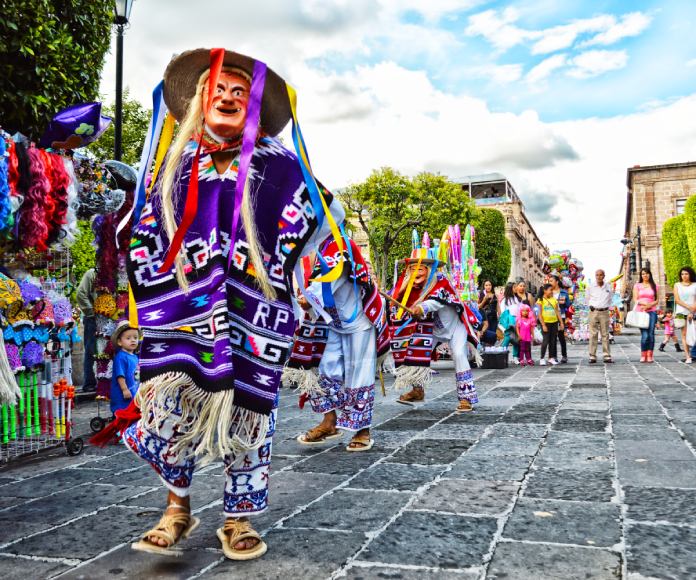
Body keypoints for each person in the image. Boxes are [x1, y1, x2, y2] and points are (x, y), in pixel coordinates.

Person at [123, 48, 345, 560]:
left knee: (248, 413)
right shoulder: (175, 165)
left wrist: (278, 260)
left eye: (238, 92)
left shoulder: (281, 166)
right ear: (201, 100)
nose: (226, 97)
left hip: (253, 315)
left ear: (252, 107)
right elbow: (147, 231)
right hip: (184, 315)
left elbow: (319, 215)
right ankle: (177, 507)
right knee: (174, 405)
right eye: (216, 89)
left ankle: (237, 517)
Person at [290, 235, 389, 451]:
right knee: (325, 369)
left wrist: (309, 298)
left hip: (359, 322)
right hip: (334, 322)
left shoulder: (340, 244)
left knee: (358, 373)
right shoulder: (317, 248)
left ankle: (363, 430)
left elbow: (330, 280)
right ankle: (329, 422)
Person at [389, 246, 480, 412]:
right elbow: (394, 298)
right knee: (412, 354)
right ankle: (418, 390)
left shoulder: (441, 281)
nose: (415, 272)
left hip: (454, 328)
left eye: (420, 268)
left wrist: (421, 308)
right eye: (412, 268)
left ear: (429, 269)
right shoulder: (408, 286)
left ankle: (466, 397)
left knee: (459, 354)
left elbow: (436, 301)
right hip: (431, 330)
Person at [110, 321, 140, 415]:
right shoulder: (120, 357)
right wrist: (124, 389)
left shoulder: (135, 357)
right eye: (128, 338)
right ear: (119, 342)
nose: (133, 340)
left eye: (135, 338)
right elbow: (120, 375)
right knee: (123, 412)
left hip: (133, 391)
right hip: (123, 394)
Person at [76, 267, 97, 392]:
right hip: (93, 319)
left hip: (111, 318)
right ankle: (89, 382)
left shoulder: (117, 272)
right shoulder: (91, 273)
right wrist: (91, 312)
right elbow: (80, 294)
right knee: (91, 350)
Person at [633, 268, 659, 363]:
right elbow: (635, 299)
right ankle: (643, 354)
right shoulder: (637, 285)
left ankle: (649, 354)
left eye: (647, 273)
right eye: (643, 274)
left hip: (652, 311)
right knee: (645, 335)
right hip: (641, 312)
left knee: (651, 334)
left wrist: (650, 305)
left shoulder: (655, 286)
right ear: (641, 275)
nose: (645, 275)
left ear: (650, 275)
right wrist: (644, 305)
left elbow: (656, 300)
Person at [587, 269, 614, 363]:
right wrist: (591, 307)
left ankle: (606, 355)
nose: (599, 277)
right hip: (593, 311)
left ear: (604, 276)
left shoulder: (608, 287)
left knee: (605, 334)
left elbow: (610, 298)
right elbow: (587, 298)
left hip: (604, 312)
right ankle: (592, 355)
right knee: (593, 334)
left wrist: (605, 306)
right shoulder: (591, 287)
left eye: (601, 275)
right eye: (597, 275)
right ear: (595, 276)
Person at [673, 267, 696, 363]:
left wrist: (692, 311)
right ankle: (688, 356)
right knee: (684, 334)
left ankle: (693, 353)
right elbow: (677, 300)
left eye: (686, 274)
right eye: (682, 274)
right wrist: (688, 307)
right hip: (681, 312)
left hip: (693, 311)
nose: (684, 276)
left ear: (690, 274)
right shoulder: (677, 285)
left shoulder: (695, 285)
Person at [537, 283, 563, 366]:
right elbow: (539, 314)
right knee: (545, 341)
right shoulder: (540, 300)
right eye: (550, 290)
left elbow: (557, 311)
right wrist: (543, 325)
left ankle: (551, 358)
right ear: (545, 290)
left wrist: (561, 322)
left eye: (552, 290)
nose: (552, 292)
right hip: (546, 323)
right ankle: (542, 358)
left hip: (554, 322)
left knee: (553, 341)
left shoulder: (554, 299)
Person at [549, 274, 571, 363]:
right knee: (552, 337)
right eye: (549, 281)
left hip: (561, 316)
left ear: (557, 282)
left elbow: (568, 304)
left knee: (561, 336)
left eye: (551, 281)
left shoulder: (564, 292)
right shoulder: (548, 292)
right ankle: (553, 356)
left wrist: (562, 302)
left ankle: (564, 355)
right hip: (550, 316)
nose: (549, 283)